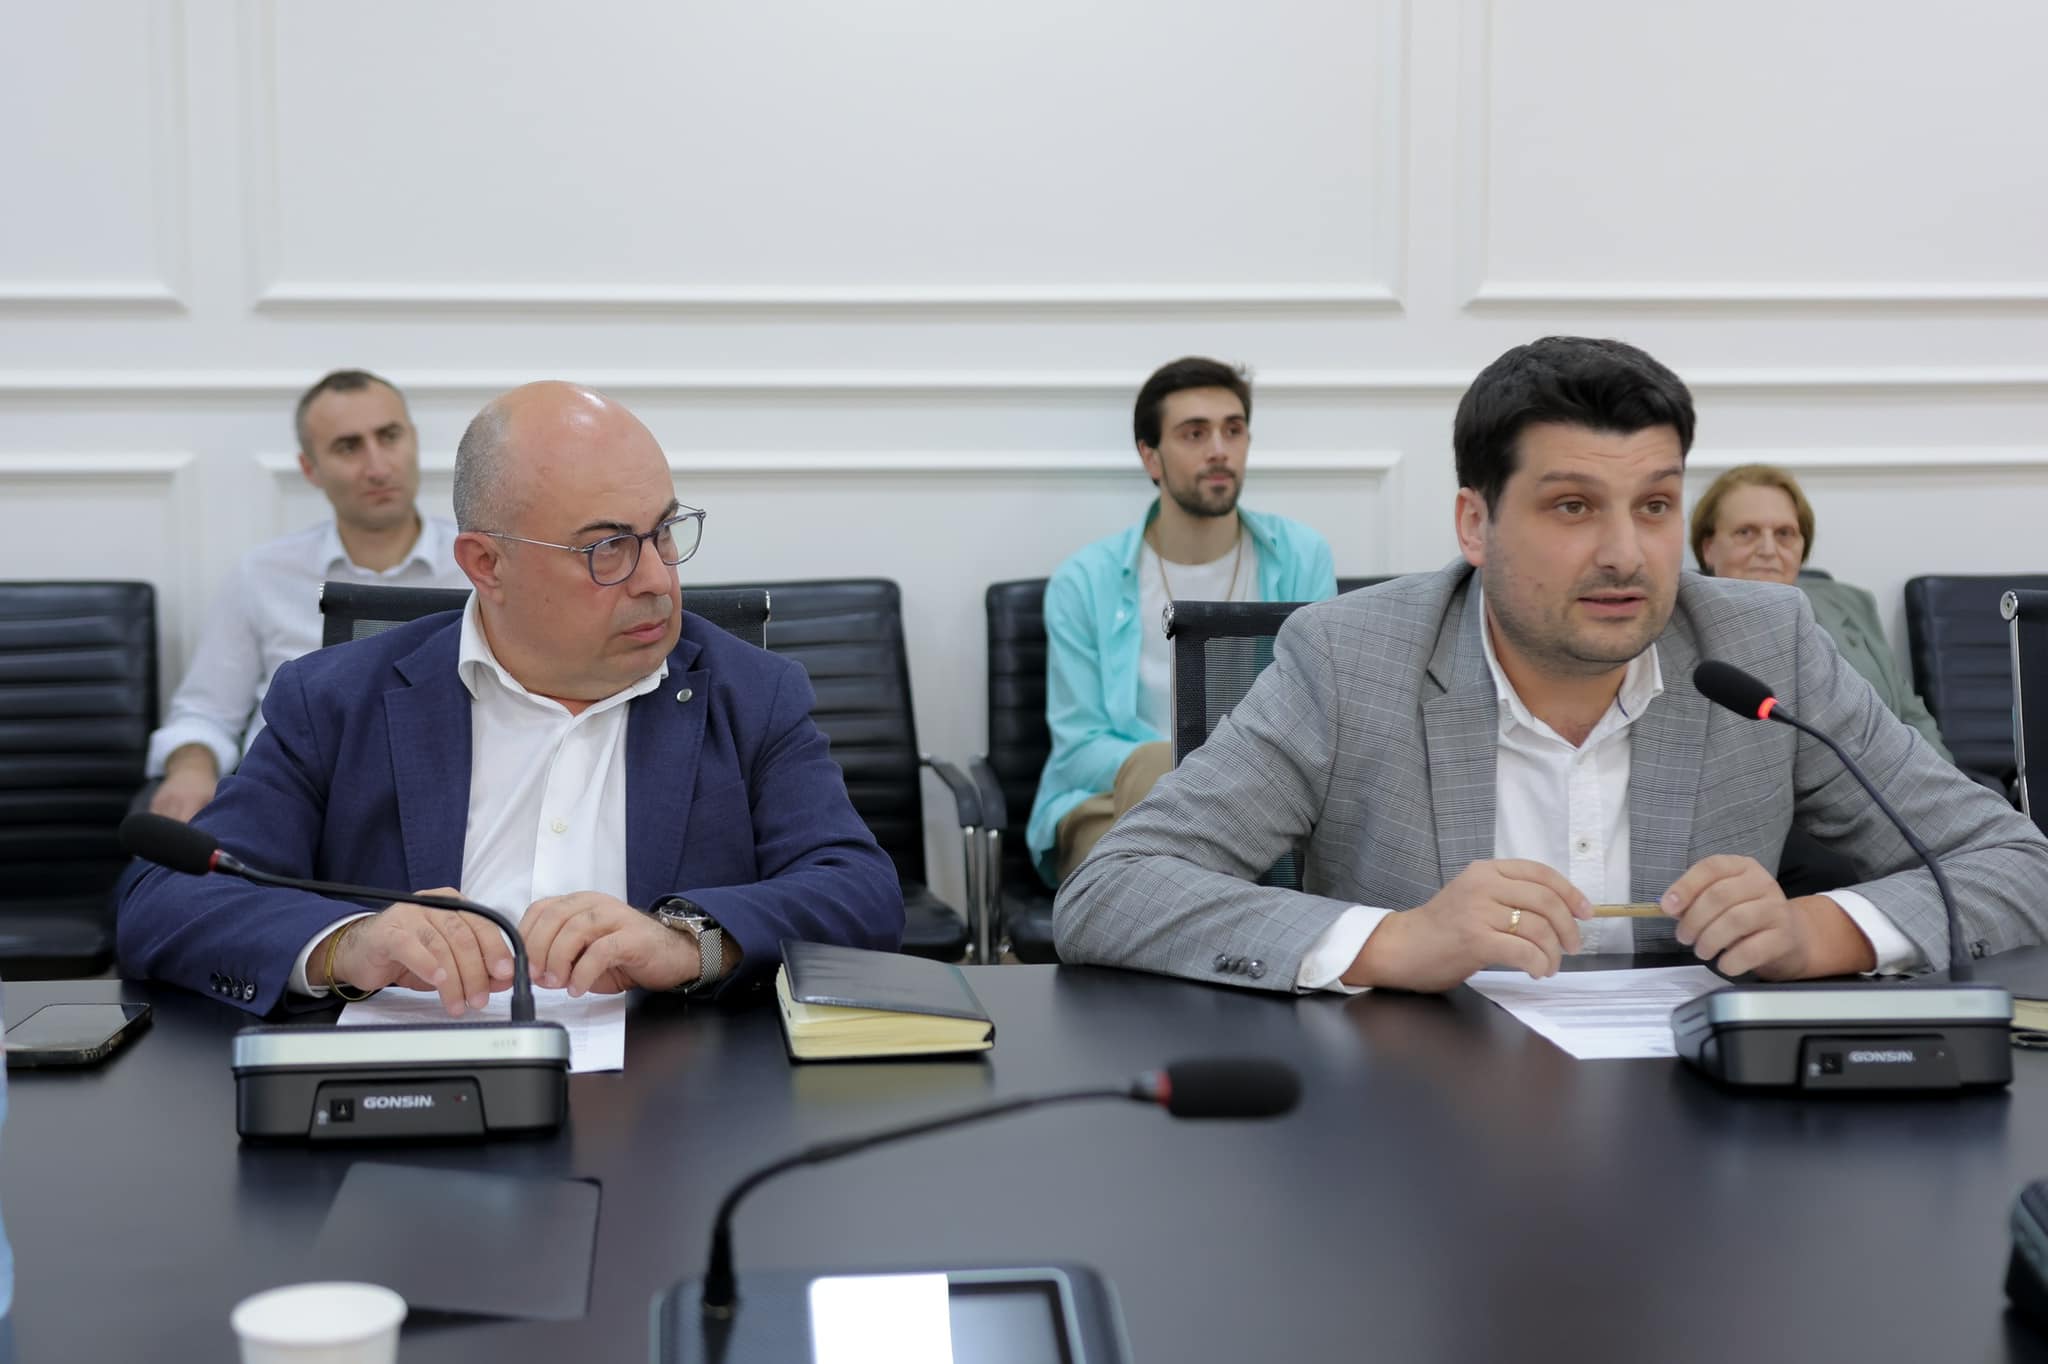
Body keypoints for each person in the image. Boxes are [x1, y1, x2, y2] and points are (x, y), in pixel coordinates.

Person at [1055, 336, 2048, 993]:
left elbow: (2015, 864)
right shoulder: (1348, 659)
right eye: (1572, 507)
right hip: (1412, 1135)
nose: (1625, 553)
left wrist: (1817, 932)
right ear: (1474, 523)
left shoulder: (1763, 644)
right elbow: (1114, 889)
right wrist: (1394, 941)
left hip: (1706, 1143)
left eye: (1654, 506)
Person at [118, 381, 903, 1015]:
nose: (658, 580)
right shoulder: (335, 701)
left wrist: (687, 942)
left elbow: (860, 893)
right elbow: (164, 901)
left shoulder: (750, 693)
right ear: (486, 564)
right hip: (411, 1104)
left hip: (674, 1100)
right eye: (607, 548)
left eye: (664, 531)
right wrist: (348, 944)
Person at [1027, 357, 1336, 885]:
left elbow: (1320, 714)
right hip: (1114, 804)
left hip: (1264, 800)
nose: (1219, 449)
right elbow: (1080, 748)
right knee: (1147, 861)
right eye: (1195, 433)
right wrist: (1186, 769)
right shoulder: (1085, 581)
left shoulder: (1302, 557)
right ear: (1150, 457)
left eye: (1233, 430)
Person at [145, 369, 469, 821]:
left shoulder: (481, 567)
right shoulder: (263, 575)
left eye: (389, 436)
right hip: (290, 808)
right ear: (309, 469)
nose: (378, 467)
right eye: (348, 447)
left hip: (448, 804)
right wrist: (192, 768)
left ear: (413, 440)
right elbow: (205, 713)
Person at [1690, 463, 1950, 759]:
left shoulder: (1851, 604)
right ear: (1708, 548)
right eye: (1746, 532)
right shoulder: (1681, 628)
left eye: (1784, 533)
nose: (1768, 550)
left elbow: (1911, 716)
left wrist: (1945, 784)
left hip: (1889, 781)